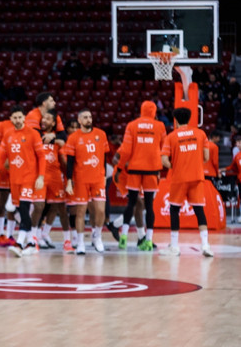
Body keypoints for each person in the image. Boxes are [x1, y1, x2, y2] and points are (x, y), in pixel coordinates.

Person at [0, 105, 46, 256]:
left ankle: (19, 243)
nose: (18, 120)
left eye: (20, 117)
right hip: (14, 179)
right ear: (10, 119)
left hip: (29, 178)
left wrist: (41, 176)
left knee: (24, 209)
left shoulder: (33, 134)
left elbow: (42, 156)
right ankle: (32, 243)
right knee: (18, 210)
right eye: (15, 118)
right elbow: (1, 157)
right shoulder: (8, 135)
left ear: (24, 117)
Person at [113, 101, 166, 250]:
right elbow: (163, 148)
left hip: (134, 169)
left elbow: (126, 151)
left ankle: (123, 236)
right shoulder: (160, 126)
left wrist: (119, 169)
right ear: (154, 112)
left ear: (141, 110)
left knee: (131, 204)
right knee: (149, 206)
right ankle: (148, 240)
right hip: (152, 170)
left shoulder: (132, 125)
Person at [161, 108, 212, 257]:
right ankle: (206, 246)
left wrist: (175, 165)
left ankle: (175, 247)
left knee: (174, 210)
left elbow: (164, 160)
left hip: (179, 178)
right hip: (196, 177)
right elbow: (206, 157)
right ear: (189, 119)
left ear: (175, 120)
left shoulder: (171, 137)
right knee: (199, 211)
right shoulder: (201, 134)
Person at [63, 109, 109, 254]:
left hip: (98, 178)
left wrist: (104, 175)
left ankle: (97, 236)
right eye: (85, 117)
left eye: (90, 116)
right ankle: (81, 243)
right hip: (81, 179)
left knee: (100, 210)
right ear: (79, 120)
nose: (89, 119)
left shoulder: (101, 134)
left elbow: (104, 157)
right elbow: (70, 162)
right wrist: (69, 180)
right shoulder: (73, 138)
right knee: (80, 212)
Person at [36, 110, 72, 250]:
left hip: (55, 177)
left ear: (53, 123)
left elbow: (63, 160)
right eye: (43, 117)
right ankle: (36, 236)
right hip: (40, 176)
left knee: (61, 208)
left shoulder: (58, 140)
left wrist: (69, 178)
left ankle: (67, 240)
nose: (44, 120)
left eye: (48, 118)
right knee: (39, 207)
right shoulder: (35, 135)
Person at [0, 115, 17, 246]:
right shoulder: (2, 125)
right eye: (15, 117)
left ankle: (10, 235)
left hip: (17, 169)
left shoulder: (26, 128)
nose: (18, 120)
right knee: (1, 203)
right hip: (3, 171)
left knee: (13, 205)